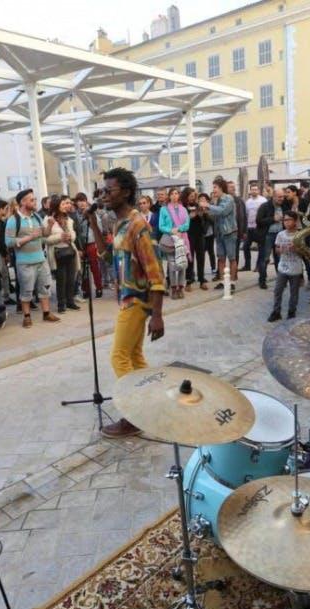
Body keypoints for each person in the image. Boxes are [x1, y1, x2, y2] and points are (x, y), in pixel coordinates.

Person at [85, 168, 165, 438]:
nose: (104, 195)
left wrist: (157, 314)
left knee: (118, 357)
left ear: (127, 192)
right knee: (134, 356)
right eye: (103, 191)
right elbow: (108, 257)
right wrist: (94, 223)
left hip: (136, 300)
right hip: (126, 299)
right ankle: (156, 403)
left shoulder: (138, 224)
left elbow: (155, 271)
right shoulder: (119, 223)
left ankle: (133, 416)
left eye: (110, 190)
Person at [5, 188, 60, 328]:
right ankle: (27, 316)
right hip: (25, 262)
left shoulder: (36, 217)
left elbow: (45, 234)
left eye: (35, 199)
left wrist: (50, 225)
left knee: (45, 287)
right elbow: (9, 242)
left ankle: (46, 313)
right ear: (23, 202)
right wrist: (30, 237)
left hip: (41, 259)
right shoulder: (13, 220)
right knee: (26, 290)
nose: (35, 201)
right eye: (32, 200)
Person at [46, 195, 80, 313]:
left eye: (68, 203)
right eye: (64, 204)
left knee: (71, 278)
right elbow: (46, 239)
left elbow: (74, 234)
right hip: (58, 253)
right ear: (56, 206)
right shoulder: (49, 220)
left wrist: (71, 236)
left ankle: (70, 301)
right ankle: (61, 304)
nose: (67, 206)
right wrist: (60, 237)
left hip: (70, 251)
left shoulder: (69, 220)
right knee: (61, 280)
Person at [268, 212, 304, 322]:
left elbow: (303, 253)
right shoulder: (280, 234)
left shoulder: (300, 235)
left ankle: (291, 312)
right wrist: (281, 249)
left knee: (294, 293)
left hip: (296, 269)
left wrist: (296, 249)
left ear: (295, 221)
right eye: (285, 220)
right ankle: (276, 311)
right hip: (282, 268)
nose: (286, 222)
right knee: (277, 290)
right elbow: (277, 250)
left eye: (289, 220)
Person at [159, 187, 191, 299]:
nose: (174, 195)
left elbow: (187, 224)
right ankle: (173, 288)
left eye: (176, 193)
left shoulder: (183, 209)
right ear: (169, 196)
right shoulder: (164, 209)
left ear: (179, 195)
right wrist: (171, 230)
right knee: (172, 265)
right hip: (169, 240)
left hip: (182, 239)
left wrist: (179, 229)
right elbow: (161, 226)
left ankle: (181, 288)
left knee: (182, 264)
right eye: (172, 193)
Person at [209, 178, 239, 290]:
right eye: (213, 188)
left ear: (221, 187)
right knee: (221, 258)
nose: (213, 190)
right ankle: (223, 281)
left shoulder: (228, 198)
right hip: (219, 233)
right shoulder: (216, 200)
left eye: (215, 187)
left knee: (232, 258)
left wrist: (208, 206)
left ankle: (232, 282)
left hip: (229, 232)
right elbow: (214, 215)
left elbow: (222, 211)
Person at [256, 189, 286, 289]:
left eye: (283, 197)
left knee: (279, 258)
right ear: (273, 197)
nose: (282, 199)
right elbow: (259, 221)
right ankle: (262, 280)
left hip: (280, 235)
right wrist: (273, 219)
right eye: (279, 197)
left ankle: (281, 280)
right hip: (267, 236)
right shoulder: (265, 206)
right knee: (265, 259)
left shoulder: (284, 206)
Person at [77, 192, 104, 300]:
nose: (81, 203)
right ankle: (86, 290)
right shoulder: (76, 214)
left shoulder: (92, 213)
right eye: (79, 201)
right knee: (83, 269)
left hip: (92, 243)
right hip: (81, 244)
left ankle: (99, 287)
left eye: (83, 201)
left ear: (86, 201)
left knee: (95, 267)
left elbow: (99, 229)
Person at [188, 192, 212, 290]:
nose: (193, 198)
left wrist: (203, 214)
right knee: (190, 258)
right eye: (191, 196)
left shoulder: (201, 206)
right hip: (189, 235)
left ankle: (201, 280)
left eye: (194, 196)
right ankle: (189, 281)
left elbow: (209, 220)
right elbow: (186, 219)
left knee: (201, 257)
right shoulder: (185, 207)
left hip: (200, 235)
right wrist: (192, 215)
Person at [243, 184, 267, 271]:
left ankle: (258, 266)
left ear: (259, 191)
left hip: (259, 228)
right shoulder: (248, 202)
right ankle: (247, 265)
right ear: (250, 191)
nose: (254, 191)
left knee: (261, 248)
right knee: (245, 247)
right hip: (250, 227)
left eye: (256, 189)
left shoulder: (263, 200)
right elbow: (246, 215)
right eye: (252, 189)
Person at [227, 181, 248, 265]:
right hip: (227, 231)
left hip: (237, 231)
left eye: (234, 186)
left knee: (235, 253)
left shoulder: (239, 200)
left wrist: (245, 231)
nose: (234, 188)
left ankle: (234, 272)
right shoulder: (223, 200)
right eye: (231, 187)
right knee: (225, 253)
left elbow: (244, 217)